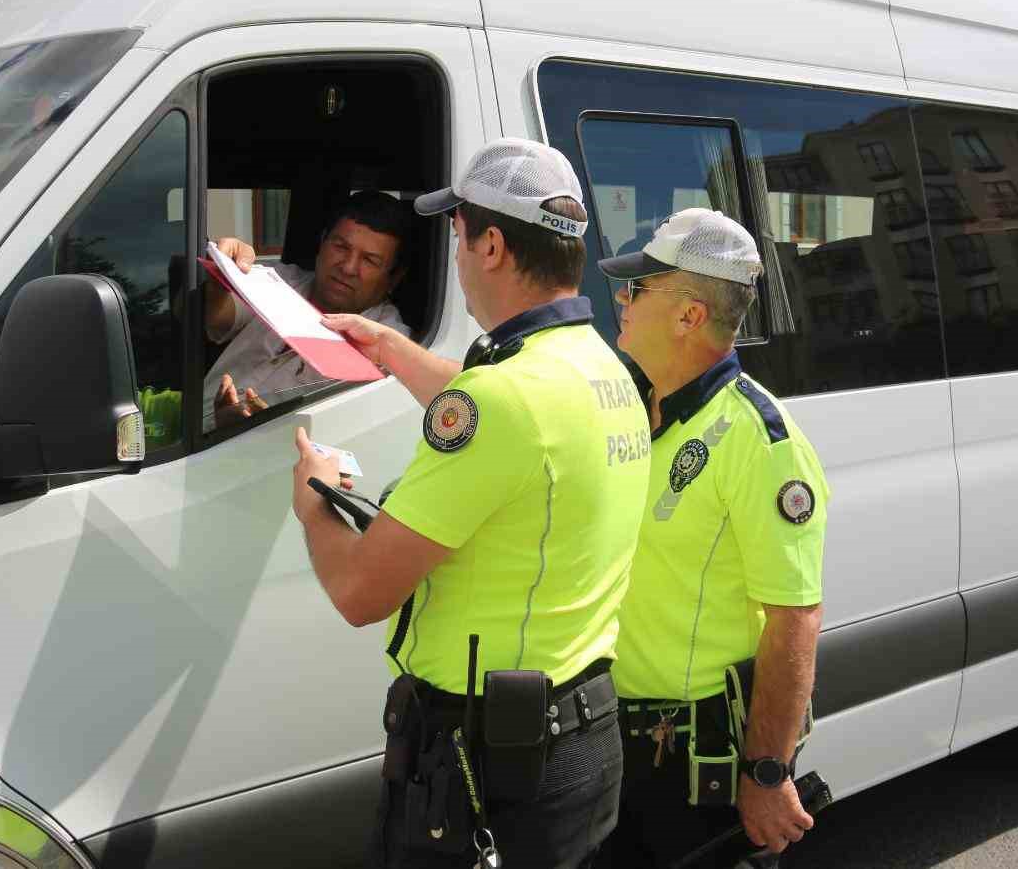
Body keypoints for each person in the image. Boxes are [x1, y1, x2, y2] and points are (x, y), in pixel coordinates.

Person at [289, 138, 652, 869]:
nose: (453, 257)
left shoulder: (502, 402)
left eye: (456, 237)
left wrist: (313, 507)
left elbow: (362, 593)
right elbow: (505, 412)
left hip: (486, 764)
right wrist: (388, 348)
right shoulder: (600, 368)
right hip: (580, 738)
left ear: (490, 244)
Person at [595, 208, 829, 869]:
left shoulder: (758, 438)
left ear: (689, 315)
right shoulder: (641, 412)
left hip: (696, 766)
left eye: (637, 289)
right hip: (618, 746)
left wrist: (767, 772)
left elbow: (795, 618)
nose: (623, 301)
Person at [203, 190, 413, 429]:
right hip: (187, 432)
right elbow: (219, 320)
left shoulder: (388, 345)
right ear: (322, 243)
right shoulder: (279, 280)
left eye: (369, 260)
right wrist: (221, 273)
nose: (348, 267)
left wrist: (262, 429)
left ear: (394, 278)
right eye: (341, 247)